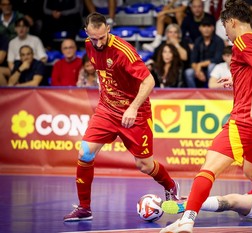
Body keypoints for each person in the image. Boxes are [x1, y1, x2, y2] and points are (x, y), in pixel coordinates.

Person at [159, 1, 252, 233]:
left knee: (208, 169)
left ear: (232, 22)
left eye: (225, 28)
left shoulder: (242, 40)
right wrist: (238, 81)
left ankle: (187, 220)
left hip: (247, 120)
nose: (226, 34)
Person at [63, 12, 180, 222]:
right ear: (86, 33)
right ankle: (84, 208)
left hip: (135, 113)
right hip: (107, 110)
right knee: (85, 153)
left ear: (108, 29)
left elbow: (149, 81)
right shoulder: (90, 45)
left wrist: (133, 108)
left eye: (102, 37)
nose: (98, 43)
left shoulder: (123, 51)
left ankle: (170, 185)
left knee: (144, 165)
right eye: (93, 38)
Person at [184, 17, 225, 88]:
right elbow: (193, 60)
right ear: (200, 28)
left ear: (212, 28)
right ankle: (194, 95)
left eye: (208, 26)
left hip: (216, 69)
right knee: (188, 72)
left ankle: (211, 92)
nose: (206, 29)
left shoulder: (219, 41)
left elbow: (217, 59)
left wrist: (200, 65)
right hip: (200, 70)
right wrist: (198, 71)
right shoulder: (198, 41)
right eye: (204, 26)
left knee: (211, 66)